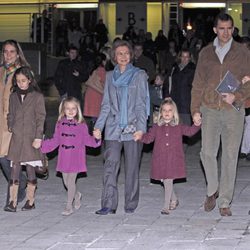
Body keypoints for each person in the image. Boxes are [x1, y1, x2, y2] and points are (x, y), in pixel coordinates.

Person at [191, 13, 250, 217]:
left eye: (229, 28)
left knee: (230, 155)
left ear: (233, 29)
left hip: (233, 110)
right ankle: (212, 190)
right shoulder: (206, 53)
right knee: (207, 153)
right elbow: (198, 83)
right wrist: (195, 110)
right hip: (209, 107)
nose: (226, 32)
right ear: (215, 30)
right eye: (222, 28)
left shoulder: (243, 52)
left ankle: (225, 200)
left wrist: (238, 95)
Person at [94, 40, 149, 215]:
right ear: (114, 57)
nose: (123, 56)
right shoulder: (110, 76)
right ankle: (108, 204)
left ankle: (130, 203)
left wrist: (141, 128)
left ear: (131, 55)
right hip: (112, 128)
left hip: (133, 128)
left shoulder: (139, 75)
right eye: (119, 53)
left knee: (132, 168)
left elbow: (142, 103)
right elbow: (106, 104)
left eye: (126, 53)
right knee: (110, 166)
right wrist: (98, 127)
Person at [134, 98, 201, 215]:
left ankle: (166, 206)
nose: (167, 112)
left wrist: (197, 125)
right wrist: (140, 137)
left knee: (168, 180)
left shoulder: (178, 126)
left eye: (170, 110)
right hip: (160, 159)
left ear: (174, 112)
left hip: (173, 159)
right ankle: (174, 199)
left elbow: (190, 132)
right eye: (164, 110)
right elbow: (149, 138)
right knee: (164, 180)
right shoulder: (156, 127)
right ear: (161, 112)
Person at [41, 97, 101, 216]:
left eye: (73, 108)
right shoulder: (59, 124)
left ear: (77, 110)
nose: (70, 111)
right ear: (63, 110)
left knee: (71, 181)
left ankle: (69, 206)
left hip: (76, 157)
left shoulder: (81, 124)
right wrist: (42, 146)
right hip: (64, 157)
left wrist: (97, 138)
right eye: (68, 108)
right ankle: (77, 194)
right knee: (66, 182)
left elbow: (88, 140)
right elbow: (55, 140)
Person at [4, 66, 46, 212]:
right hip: (17, 138)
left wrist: (38, 137)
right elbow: (10, 113)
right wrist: (11, 125)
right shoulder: (13, 96)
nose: (21, 83)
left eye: (23, 80)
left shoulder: (37, 97)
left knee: (30, 169)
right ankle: (12, 202)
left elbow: (41, 118)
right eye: (18, 81)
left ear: (29, 80)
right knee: (14, 169)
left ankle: (30, 200)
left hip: (30, 138)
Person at [0, 40, 29, 210]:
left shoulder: (23, 73)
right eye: (5, 51)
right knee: (4, 159)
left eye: (12, 51)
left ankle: (12, 197)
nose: (8, 55)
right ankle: (22, 181)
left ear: (18, 54)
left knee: (8, 159)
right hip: (0, 124)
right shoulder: (1, 71)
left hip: (14, 124)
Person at [166, 49, 196, 126]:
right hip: (174, 101)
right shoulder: (174, 68)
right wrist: (167, 96)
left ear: (190, 58)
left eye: (187, 57)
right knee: (174, 126)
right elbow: (168, 82)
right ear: (180, 57)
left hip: (186, 103)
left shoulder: (193, 69)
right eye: (183, 56)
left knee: (185, 127)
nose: (185, 59)